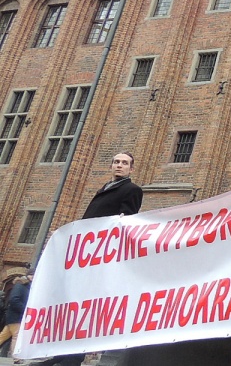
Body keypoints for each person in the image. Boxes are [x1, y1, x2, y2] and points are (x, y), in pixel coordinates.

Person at [35, 152, 143, 366]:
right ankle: (59, 354)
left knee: (84, 308)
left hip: (99, 258)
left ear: (131, 169)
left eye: (124, 163)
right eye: (116, 162)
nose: (119, 166)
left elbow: (127, 221)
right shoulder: (104, 188)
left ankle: (72, 358)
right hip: (84, 255)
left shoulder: (132, 189)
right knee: (71, 306)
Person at [0, 272, 29, 361]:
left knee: (3, 336)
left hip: (14, 316)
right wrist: (25, 310)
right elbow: (14, 300)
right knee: (16, 336)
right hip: (16, 315)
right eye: (32, 275)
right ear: (28, 276)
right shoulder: (20, 286)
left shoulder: (25, 286)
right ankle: (16, 357)